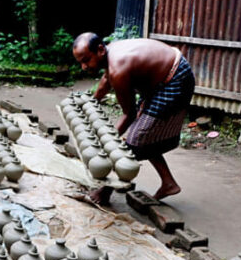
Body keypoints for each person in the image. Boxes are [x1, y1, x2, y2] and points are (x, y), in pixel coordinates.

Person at [72, 33, 195, 203]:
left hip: (175, 79)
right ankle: (169, 183)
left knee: (134, 140)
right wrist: (88, 104)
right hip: (162, 75)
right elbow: (105, 81)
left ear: (100, 50)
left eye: (86, 60)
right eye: (80, 62)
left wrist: (105, 142)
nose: (84, 67)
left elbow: (128, 115)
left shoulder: (118, 68)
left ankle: (105, 192)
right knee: (145, 135)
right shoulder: (110, 54)